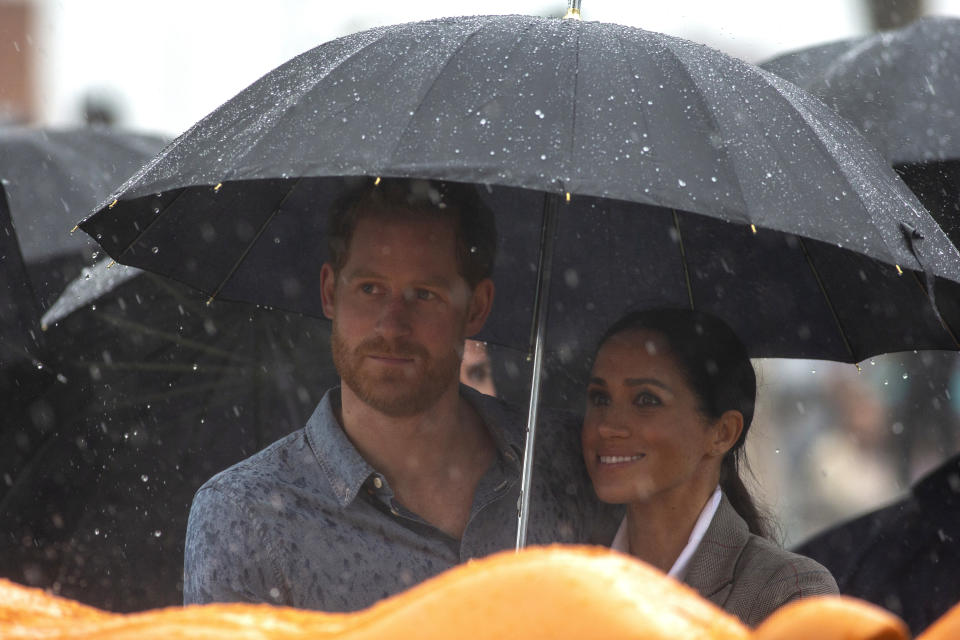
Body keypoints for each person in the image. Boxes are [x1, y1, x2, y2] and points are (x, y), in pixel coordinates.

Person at [183, 177, 618, 611]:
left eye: (424, 294)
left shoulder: (566, 458)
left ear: (477, 307)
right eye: (370, 288)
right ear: (330, 292)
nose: (392, 325)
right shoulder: (245, 514)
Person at [581, 308, 837, 627]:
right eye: (600, 398)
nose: (607, 427)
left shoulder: (788, 594)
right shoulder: (561, 572)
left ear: (722, 433)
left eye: (646, 400)